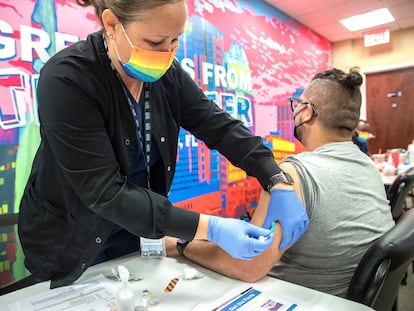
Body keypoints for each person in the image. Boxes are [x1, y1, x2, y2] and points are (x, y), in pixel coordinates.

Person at [17, 0, 309, 288]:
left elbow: (219, 126)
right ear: (112, 24)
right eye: (155, 42)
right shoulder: (68, 78)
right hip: (69, 237)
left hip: (134, 228)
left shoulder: (166, 76)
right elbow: (104, 191)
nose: (167, 53)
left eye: (175, 41)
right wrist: (211, 228)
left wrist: (274, 177)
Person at [166, 68, 395, 298]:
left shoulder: (291, 174)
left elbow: (248, 265)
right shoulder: (368, 166)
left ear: (306, 112)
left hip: (301, 299)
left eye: (297, 104)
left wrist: (183, 245)